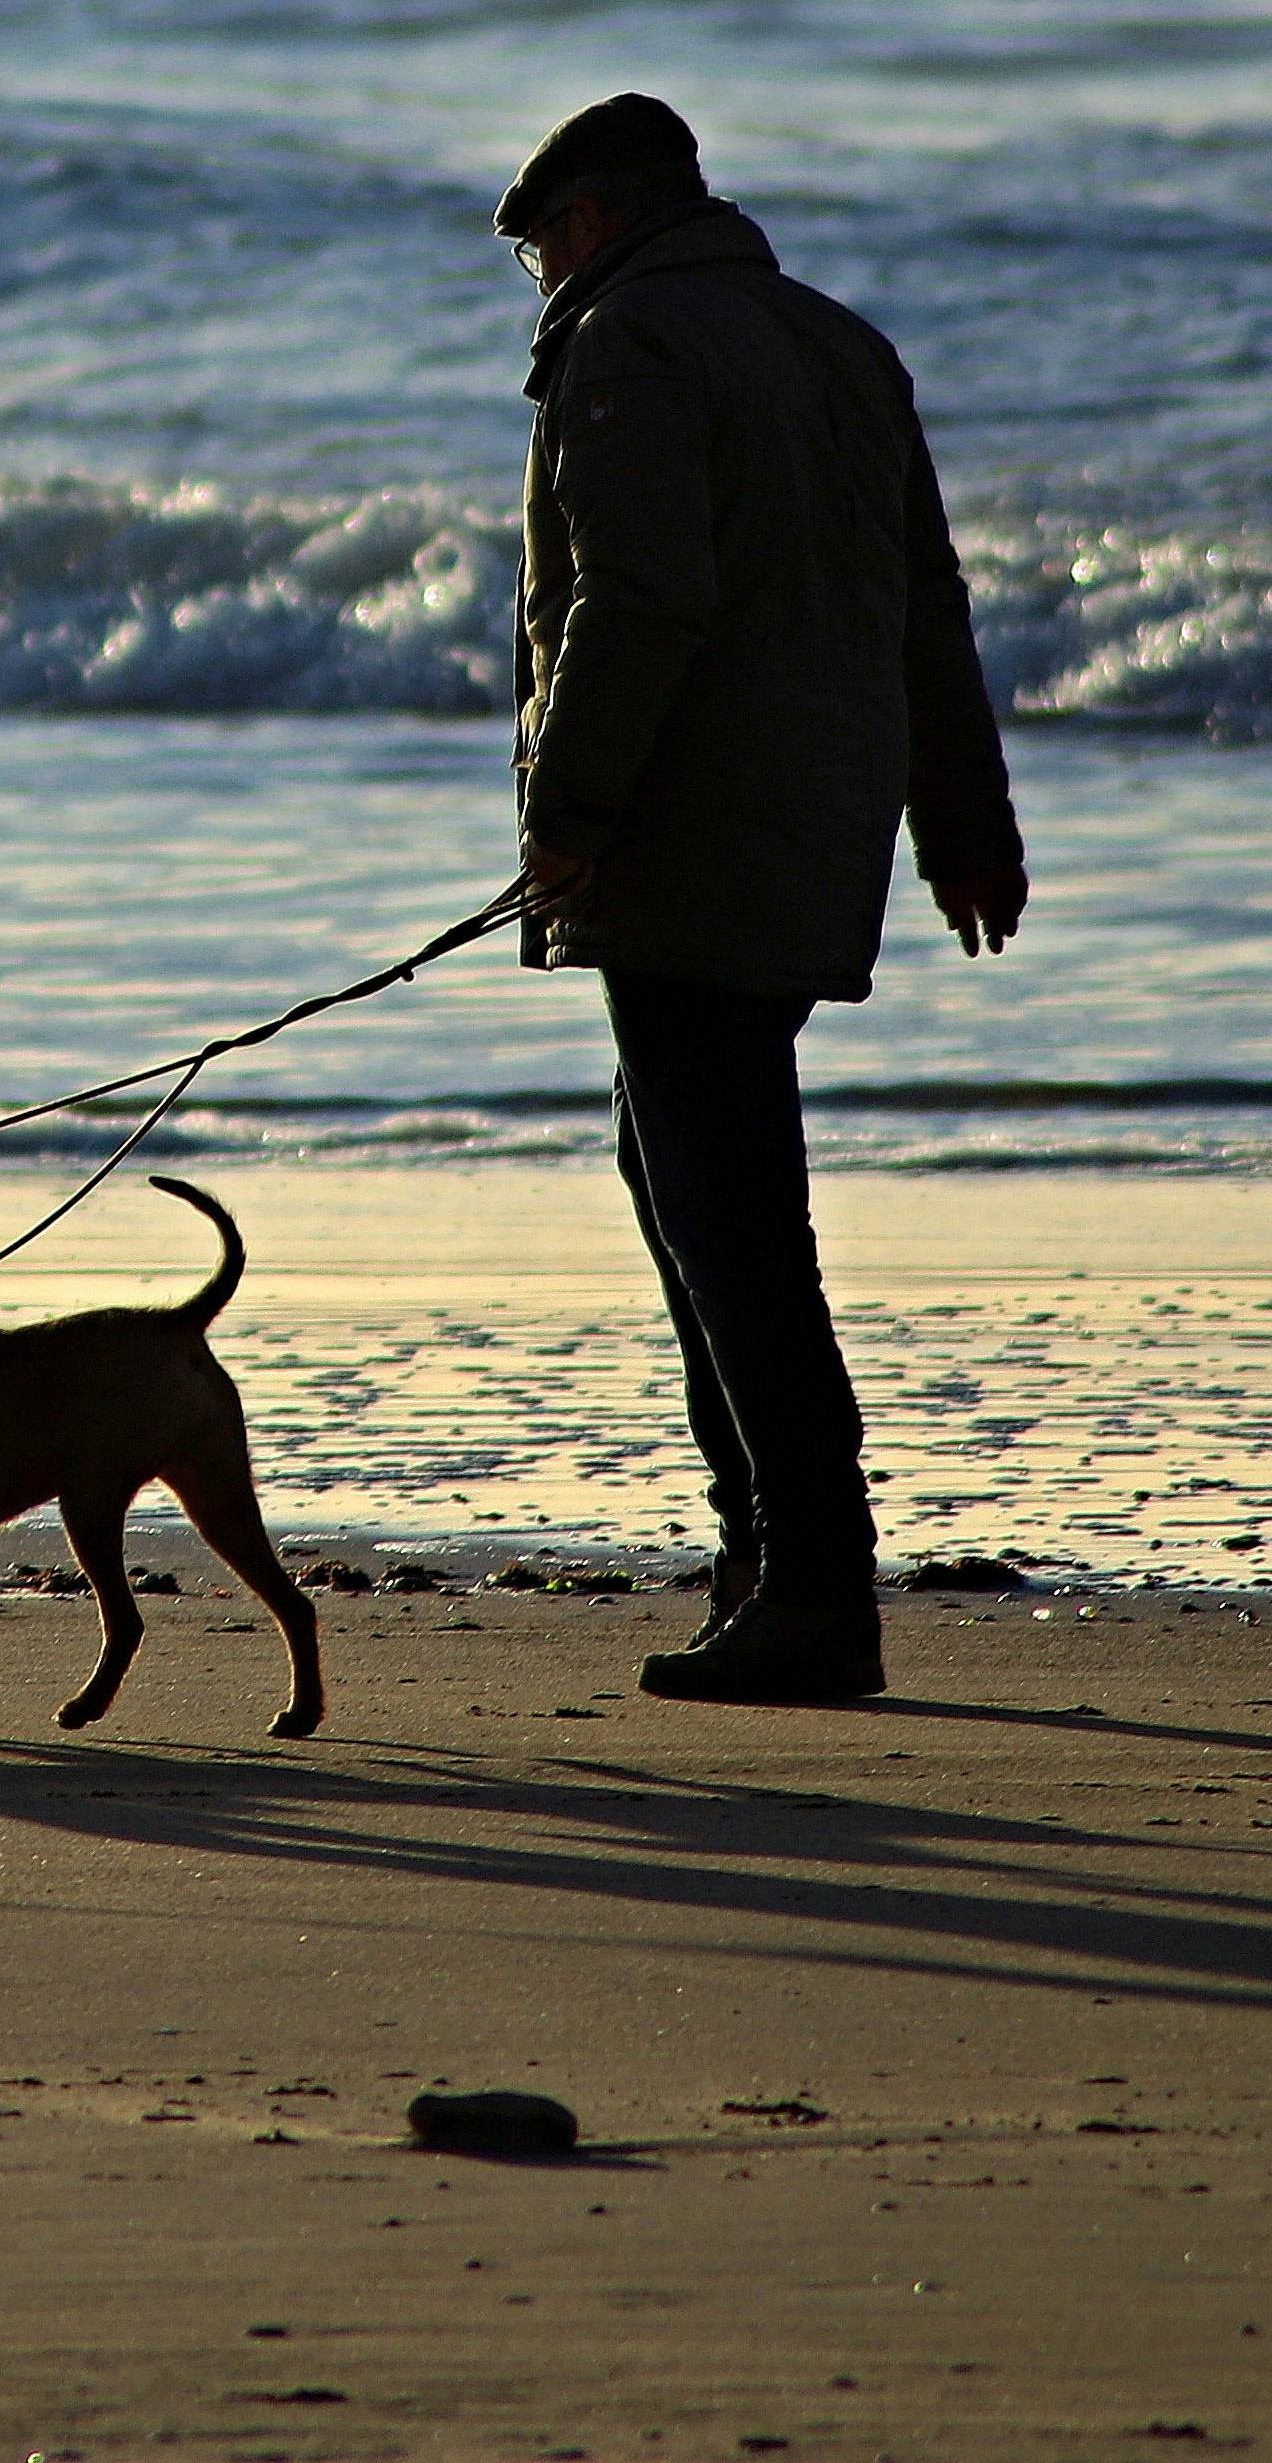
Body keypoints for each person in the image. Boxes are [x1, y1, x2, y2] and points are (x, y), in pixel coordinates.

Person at [494, 95, 1026, 1707]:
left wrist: (573, 814)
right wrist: (963, 821)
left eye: (533, 246)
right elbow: (925, 600)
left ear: (588, 220)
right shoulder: (836, 342)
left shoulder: (630, 346)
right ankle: (763, 1559)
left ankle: (810, 1584)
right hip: (817, 816)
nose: (532, 277)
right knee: (673, 1162)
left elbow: (641, 597)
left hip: (689, 828)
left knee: (728, 1210)